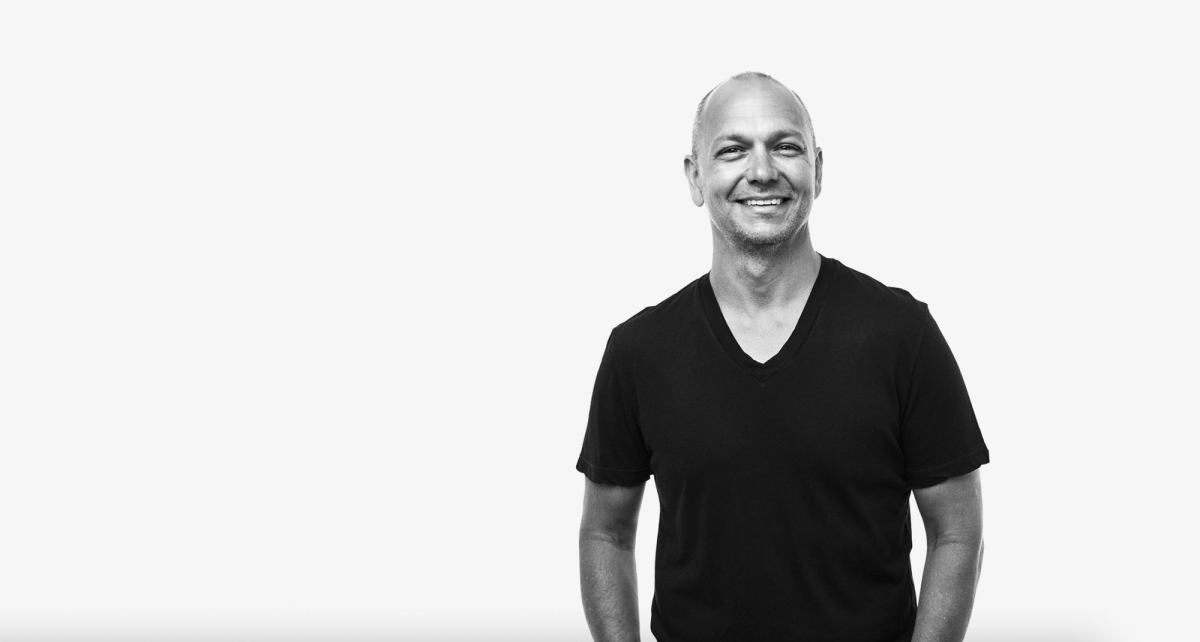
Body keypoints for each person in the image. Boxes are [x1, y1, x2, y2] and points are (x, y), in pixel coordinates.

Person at [576, 71, 989, 642]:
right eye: (732, 150)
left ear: (817, 168)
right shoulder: (638, 350)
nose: (762, 171)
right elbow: (606, 534)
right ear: (696, 177)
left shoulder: (901, 333)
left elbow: (957, 532)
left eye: (785, 146)